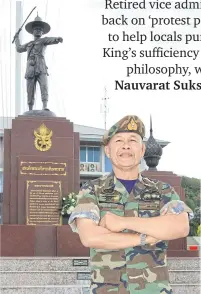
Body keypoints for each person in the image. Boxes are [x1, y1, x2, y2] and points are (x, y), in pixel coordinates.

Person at [69, 115, 193, 294]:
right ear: (108, 150)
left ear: (142, 150)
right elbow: (90, 236)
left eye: (132, 140)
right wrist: (145, 238)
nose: (126, 145)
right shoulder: (91, 190)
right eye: (118, 140)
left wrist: (124, 222)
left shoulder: (163, 191)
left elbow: (180, 226)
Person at [14, 15, 63, 111]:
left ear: (42, 32)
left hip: (41, 66)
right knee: (30, 88)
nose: (38, 31)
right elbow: (19, 48)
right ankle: (30, 108)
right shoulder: (28, 44)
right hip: (30, 67)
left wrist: (57, 39)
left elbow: (50, 39)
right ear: (32, 31)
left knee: (44, 86)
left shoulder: (43, 40)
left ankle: (45, 105)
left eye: (40, 29)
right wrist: (16, 39)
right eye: (36, 29)